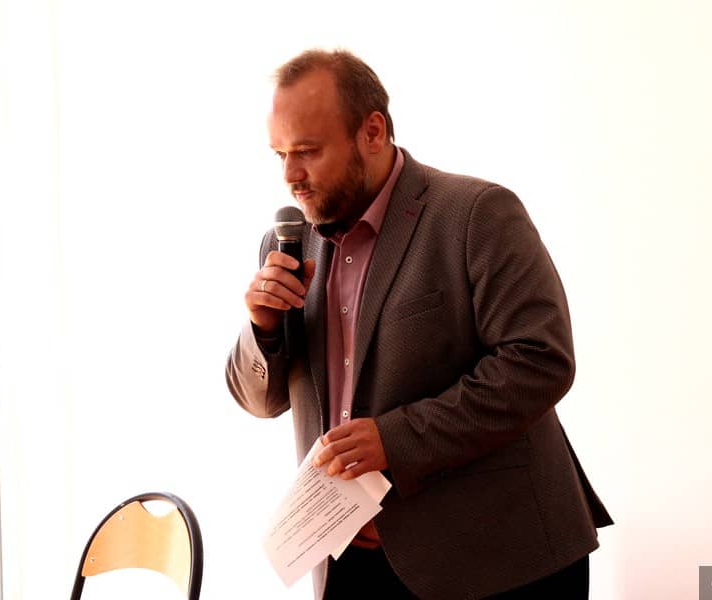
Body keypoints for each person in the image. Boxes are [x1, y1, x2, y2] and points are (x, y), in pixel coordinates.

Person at [225, 48, 612, 600]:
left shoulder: (476, 213)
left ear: (373, 131)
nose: (291, 176)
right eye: (280, 154)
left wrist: (395, 439)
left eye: (307, 152)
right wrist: (263, 329)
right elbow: (260, 401)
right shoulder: (287, 243)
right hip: (349, 557)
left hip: (500, 559)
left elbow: (539, 361)